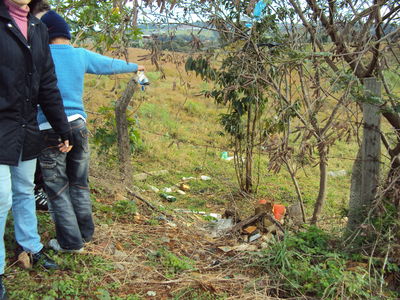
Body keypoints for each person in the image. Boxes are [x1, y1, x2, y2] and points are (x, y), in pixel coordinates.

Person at [36, 9, 145, 253]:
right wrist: (135, 66)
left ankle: (70, 243)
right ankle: (84, 235)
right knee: (79, 184)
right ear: (66, 34)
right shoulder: (80, 55)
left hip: (49, 128)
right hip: (78, 125)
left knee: (57, 188)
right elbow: (108, 65)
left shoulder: (39, 55)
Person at [0, 0, 72, 298]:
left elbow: (47, 83)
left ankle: (30, 246)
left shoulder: (38, 27)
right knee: (1, 197)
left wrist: (61, 126)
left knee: (24, 189)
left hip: (26, 128)